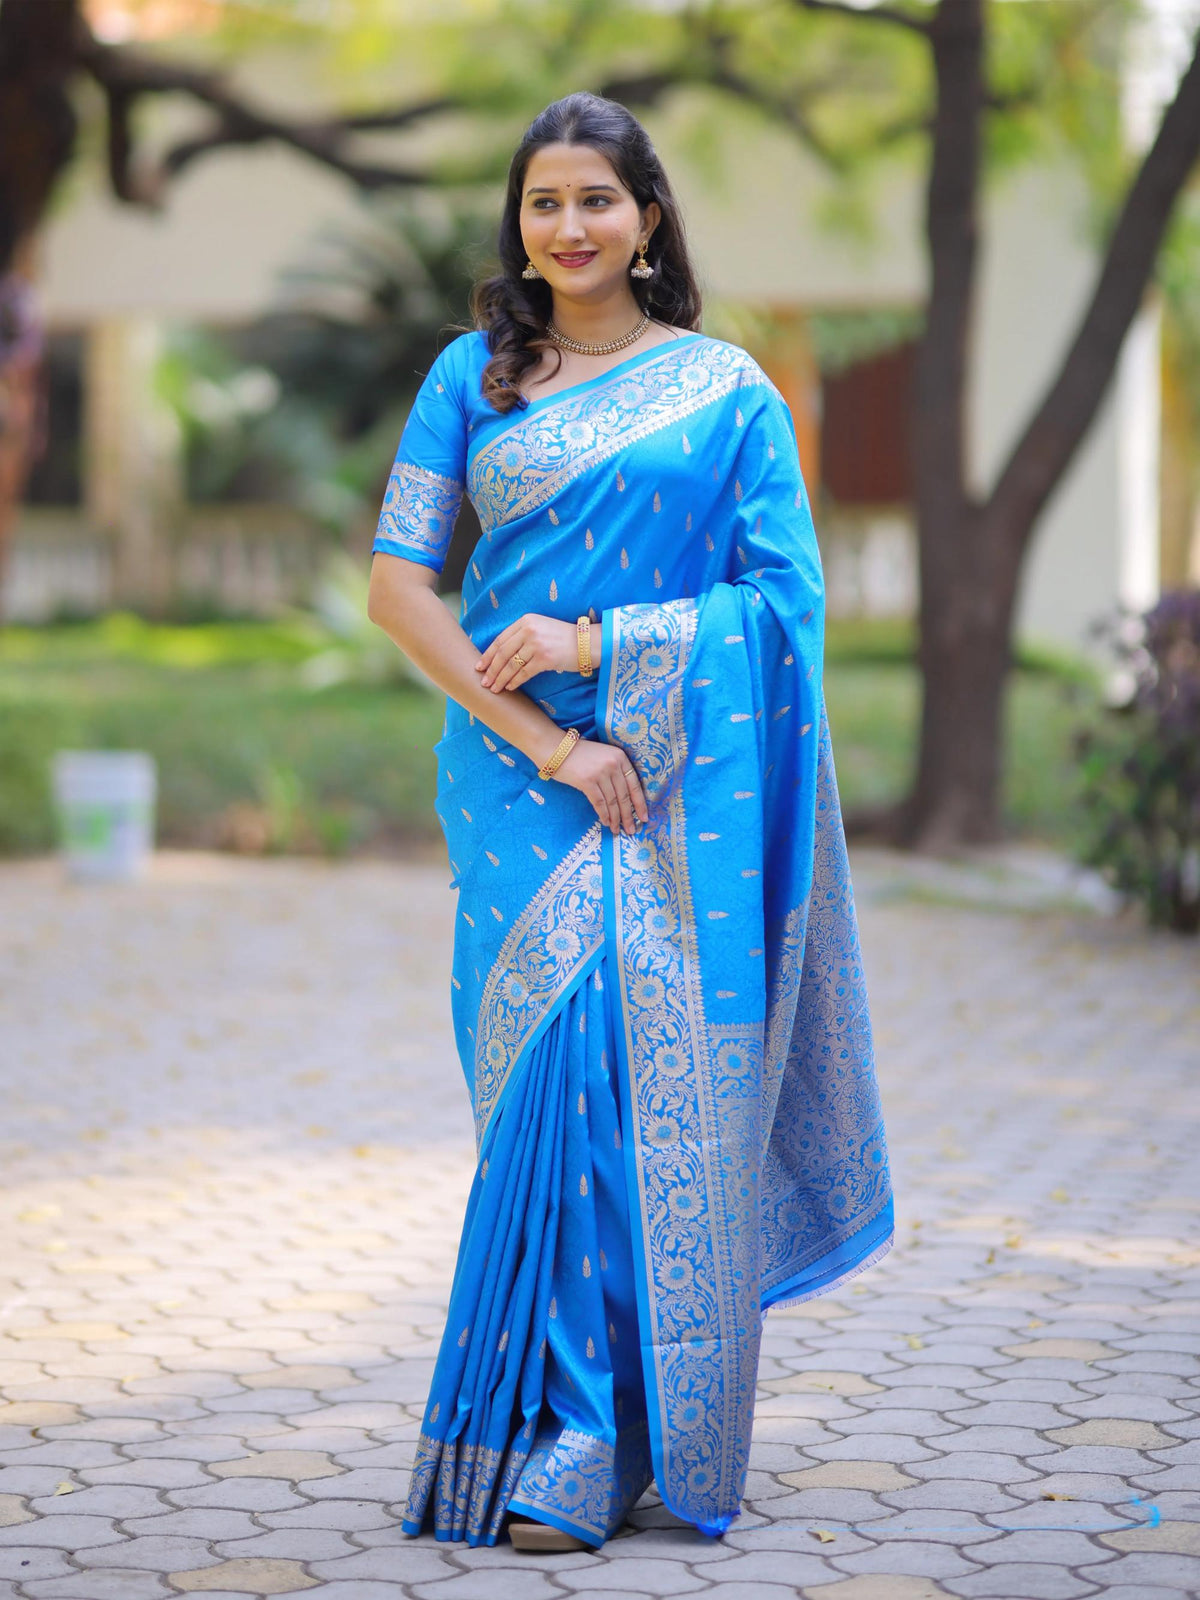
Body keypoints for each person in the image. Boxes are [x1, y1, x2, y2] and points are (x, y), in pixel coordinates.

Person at [366, 89, 894, 1555]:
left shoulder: (728, 395)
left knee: (644, 1094)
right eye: (544, 202)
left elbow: (784, 614)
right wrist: (545, 735)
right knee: (550, 1089)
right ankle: (552, 1430)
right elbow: (399, 586)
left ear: (647, 218)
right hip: (512, 781)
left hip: (682, 787)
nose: (571, 225)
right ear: (520, 226)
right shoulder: (471, 378)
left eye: (598, 199)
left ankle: (603, 1441)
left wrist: (603, 649)